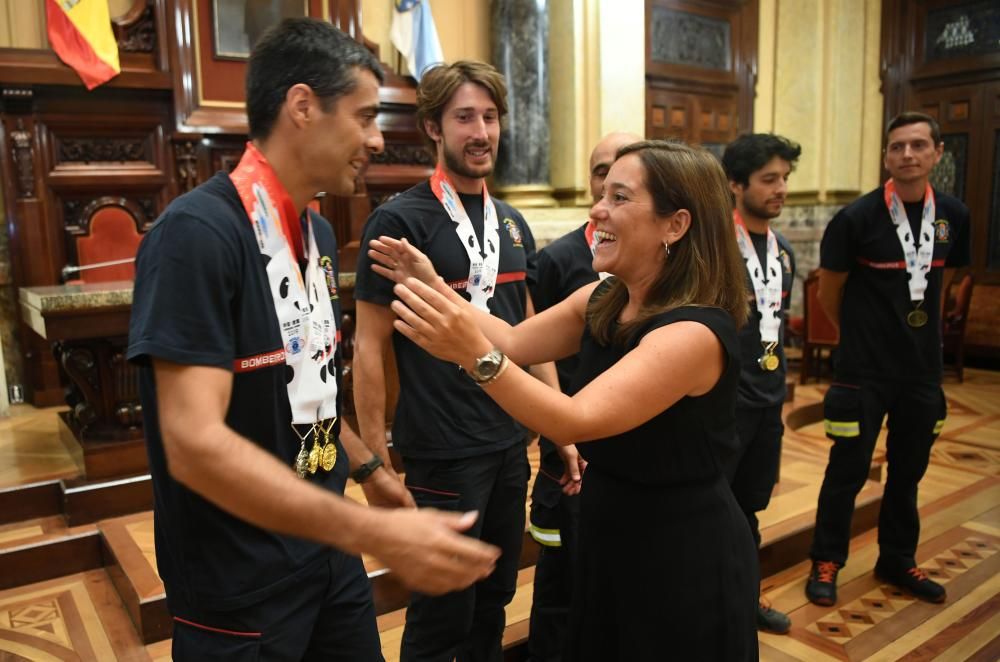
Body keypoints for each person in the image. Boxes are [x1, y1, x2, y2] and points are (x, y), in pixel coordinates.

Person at [126, 20, 498, 661]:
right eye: (363, 117)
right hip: (240, 584)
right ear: (302, 106)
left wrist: (370, 471)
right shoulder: (197, 235)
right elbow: (192, 443)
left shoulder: (317, 237)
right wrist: (372, 529)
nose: (376, 140)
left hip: (327, 557)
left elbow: (308, 382)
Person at [368, 140, 759, 660]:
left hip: (678, 545)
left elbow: (575, 419)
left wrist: (473, 358)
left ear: (676, 225)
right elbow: (512, 341)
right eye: (603, 193)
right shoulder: (605, 296)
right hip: (610, 523)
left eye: (620, 197)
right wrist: (435, 285)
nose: (598, 208)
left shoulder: (693, 332)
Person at [352, 60, 539, 662]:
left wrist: (557, 426)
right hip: (443, 449)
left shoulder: (512, 223)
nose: (481, 131)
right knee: (442, 612)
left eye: (490, 116)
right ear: (433, 127)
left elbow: (530, 332)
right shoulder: (399, 221)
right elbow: (369, 345)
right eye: (464, 117)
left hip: (511, 439)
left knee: (496, 596)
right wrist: (377, 456)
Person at [805, 111, 970, 607]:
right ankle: (826, 560)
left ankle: (897, 559)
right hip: (862, 374)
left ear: (937, 154)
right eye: (897, 147)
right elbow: (829, 293)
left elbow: (952, 280)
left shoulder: (954, 216)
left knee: (908, 471)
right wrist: (860, 339)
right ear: (886, 157)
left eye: (919, 146)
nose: (908, 155)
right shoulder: (856, 218)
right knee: (847, 472)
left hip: (921, 373)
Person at [526, 130, 640, 662]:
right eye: (601, 172)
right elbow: (529, 344)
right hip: (567, 446)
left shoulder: (669, 283)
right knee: (560, 581)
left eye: (625, 174)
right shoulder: (562, 260)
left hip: (629, 459)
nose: (610, 183)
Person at [721, 133, 801, 634]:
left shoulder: (784, 251)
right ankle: (709, 607)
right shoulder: (716, 247)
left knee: (749, 508)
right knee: (713, 509)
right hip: (725, 405)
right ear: (735, 184)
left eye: (785, 179)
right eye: (769, 179)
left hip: (769, 402)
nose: (780, 189)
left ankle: (745, 600)